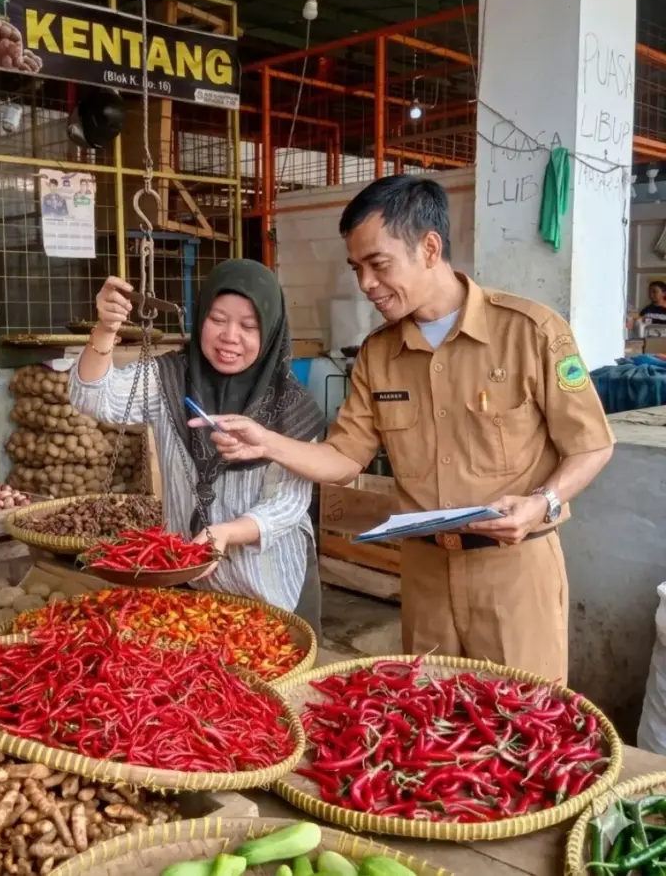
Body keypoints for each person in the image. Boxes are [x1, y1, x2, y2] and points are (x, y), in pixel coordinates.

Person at [193, 176, 615, 682]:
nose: (365, 283)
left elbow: (591, 445)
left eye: (378, 264)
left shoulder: (530, 333)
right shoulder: (378, 353)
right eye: (357, 268)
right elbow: (344, 458)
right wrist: (268, 442)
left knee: (525, 725)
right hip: (424, 573)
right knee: (431, 721)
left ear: (430, 248)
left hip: (514, 570)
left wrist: (542, 502)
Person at [71, 260, 327, 633]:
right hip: (193, 584)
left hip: (272, 585)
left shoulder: (293, 408)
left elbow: (288, 505)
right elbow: (93, 398)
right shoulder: (170, 380)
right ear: (201, 316)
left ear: (270, 332)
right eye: (218, 319)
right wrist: (106, 329)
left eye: (248, 326)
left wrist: (226, 533)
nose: (229, 336)